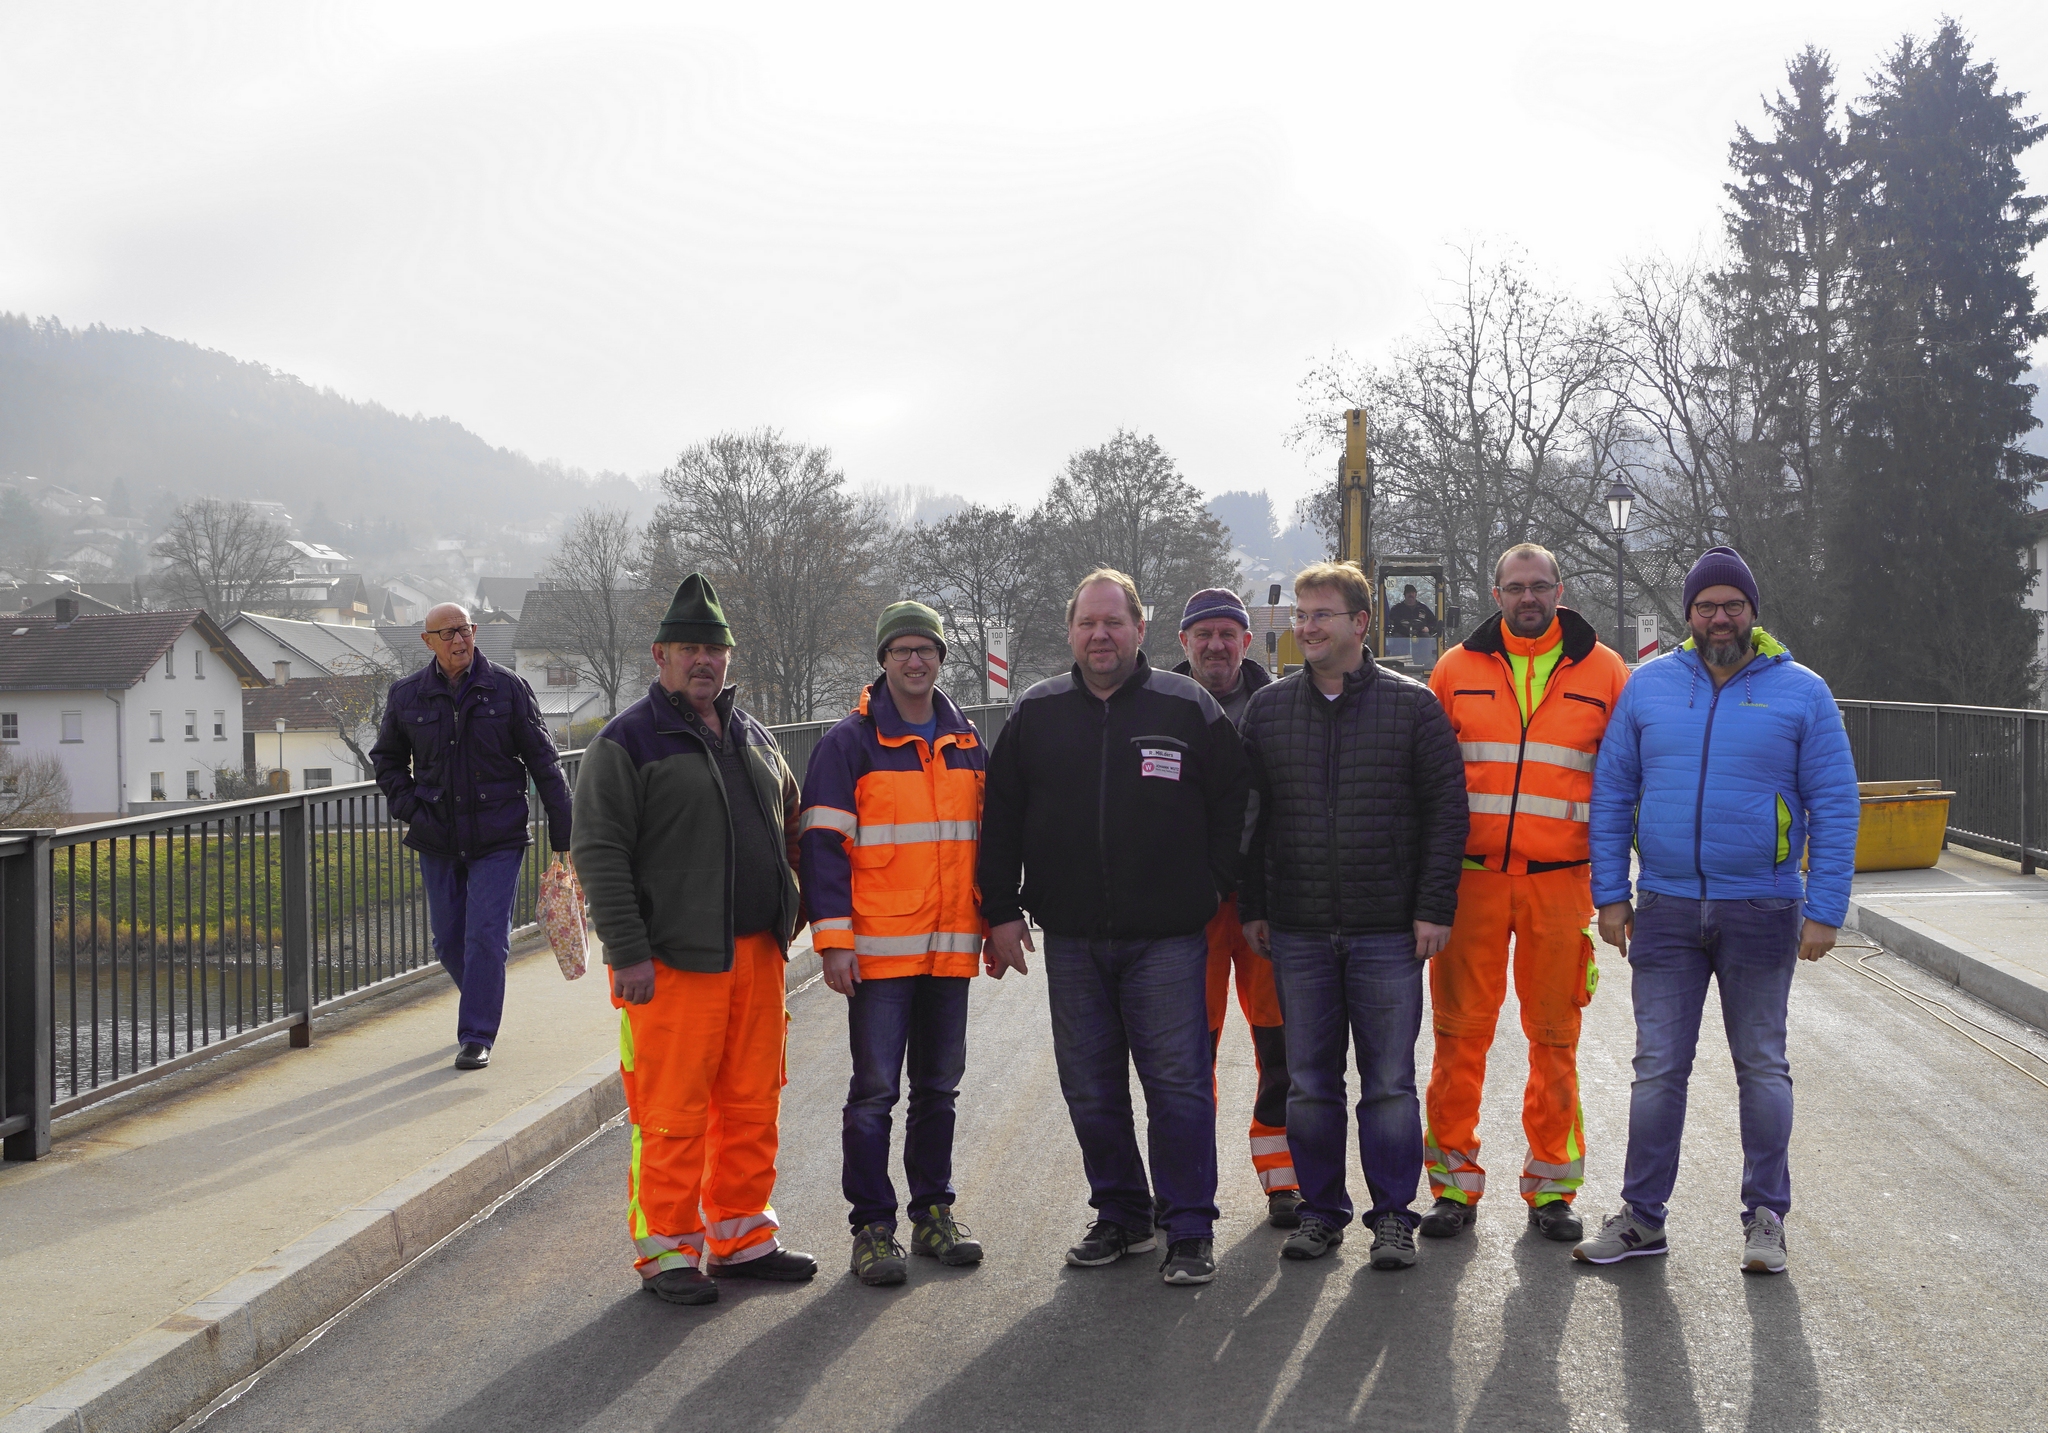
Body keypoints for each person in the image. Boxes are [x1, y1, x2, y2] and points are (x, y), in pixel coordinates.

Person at [1578, 546, 1858, 1274]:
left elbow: (1835, 803)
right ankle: (1643, 1217)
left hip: (1764, 906)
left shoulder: (1803, 691)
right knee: (1657, 1068)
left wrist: (1825, 908)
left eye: (1732, 604)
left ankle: (1766, 1217)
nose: (1719, 617)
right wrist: (1610, 893)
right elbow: (1611, 792)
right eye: (1706, 605)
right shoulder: (1648, 688)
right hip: (1665, 906)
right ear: (1689, 614)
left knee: (1762, 1065)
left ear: (1753, 613)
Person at [978, 569, 1250, 1287]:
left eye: (1114, 622)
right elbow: (999, 818)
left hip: (1167, 937)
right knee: (1091, 1086)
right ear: (1071, 632)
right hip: (1072, 937)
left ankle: (1188, 1227)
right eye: (1088, 623)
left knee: (1178, 1085)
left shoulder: (1186, 706)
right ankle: (1123, 1214)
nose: (1101, 634)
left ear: (1140, 630)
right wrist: (1001, 909)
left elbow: (1233, 802)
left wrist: (1211, 884)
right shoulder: (1037, 713)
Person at [572, 574, 818, 1307]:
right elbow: (600, 852)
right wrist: (628, 950)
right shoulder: (625, 743)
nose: (703, 660)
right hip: (673, 964)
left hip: (756, 957)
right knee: (672, 1112)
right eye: (689, 648)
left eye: (714, 648)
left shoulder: (754, 736)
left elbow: (794, 825)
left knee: (751, 1103)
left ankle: (741, 1239)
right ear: (660, 655)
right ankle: (668, 1251)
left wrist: (793, 904)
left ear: (728, 658)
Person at [1240, 561, 1468, 1271]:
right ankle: (1320, 1211)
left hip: (1387, 931)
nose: (1306, 627)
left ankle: (1394, 1216)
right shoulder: (1270, 711)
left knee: (1390, 1083)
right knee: (1309, 1081)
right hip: (1300, 930)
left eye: (1321, 615)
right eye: (1301, 615)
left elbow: (1445, 815)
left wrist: (1433, 908)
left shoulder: (1414, 707)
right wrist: (1255, 907)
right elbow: (1252, 820)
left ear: (1361, 623)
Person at [1420, 544, 1630, 1246]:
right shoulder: (1454, 670)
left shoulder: (1608, 674)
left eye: (1540, 586)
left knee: (1554, 1040)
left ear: (1560, 589)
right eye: (1516, 587)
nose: (1528, 597)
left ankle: (1552, 1188)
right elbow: (1425, 783)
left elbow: (1622, 789)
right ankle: (1453, 1184)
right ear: (1496, 592)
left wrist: (1612, 893)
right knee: (1458, 1037)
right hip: (1471, 880)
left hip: (1559, 883)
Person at [799, 601, 989, 1287]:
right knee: (874, 1092)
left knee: (939, 1089)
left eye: (927, 650)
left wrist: (994, 921)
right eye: (903, 650)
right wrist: (834, 942)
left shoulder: (966, 742)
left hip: (949, 952)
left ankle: (933, 1211)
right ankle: (873, 1227)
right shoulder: (849, 744)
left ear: (942, 658)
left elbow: (987, 845)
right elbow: (821, 848)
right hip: (878, 955)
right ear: (882, 660)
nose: (916, 661)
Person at [371, 602, 572, 1072]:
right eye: (447, 633)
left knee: (485, 936)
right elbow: (387, 760)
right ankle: (485, 994)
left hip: (498, 835)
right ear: (427, 642)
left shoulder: (507, 688)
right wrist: (410, 808)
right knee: (446, 940)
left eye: (464, 630)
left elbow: (544, 761)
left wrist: (562, 831)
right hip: (436, 834)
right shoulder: (406, 696)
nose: (459, 640)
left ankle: (477, 1034)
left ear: (475, 631)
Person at [1171, 587, 1300, 1229]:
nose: (1217, 645)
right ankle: (1190, 1186)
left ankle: (1283, 1180)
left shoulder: (1278, 707)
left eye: (1229, 633)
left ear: (1248, 643)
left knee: (1279, 1046)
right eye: (1204, 634)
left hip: (1263, 904)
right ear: (1184, 643)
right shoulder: (1158, 706)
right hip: (1186, 906)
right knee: (1190, 1055)